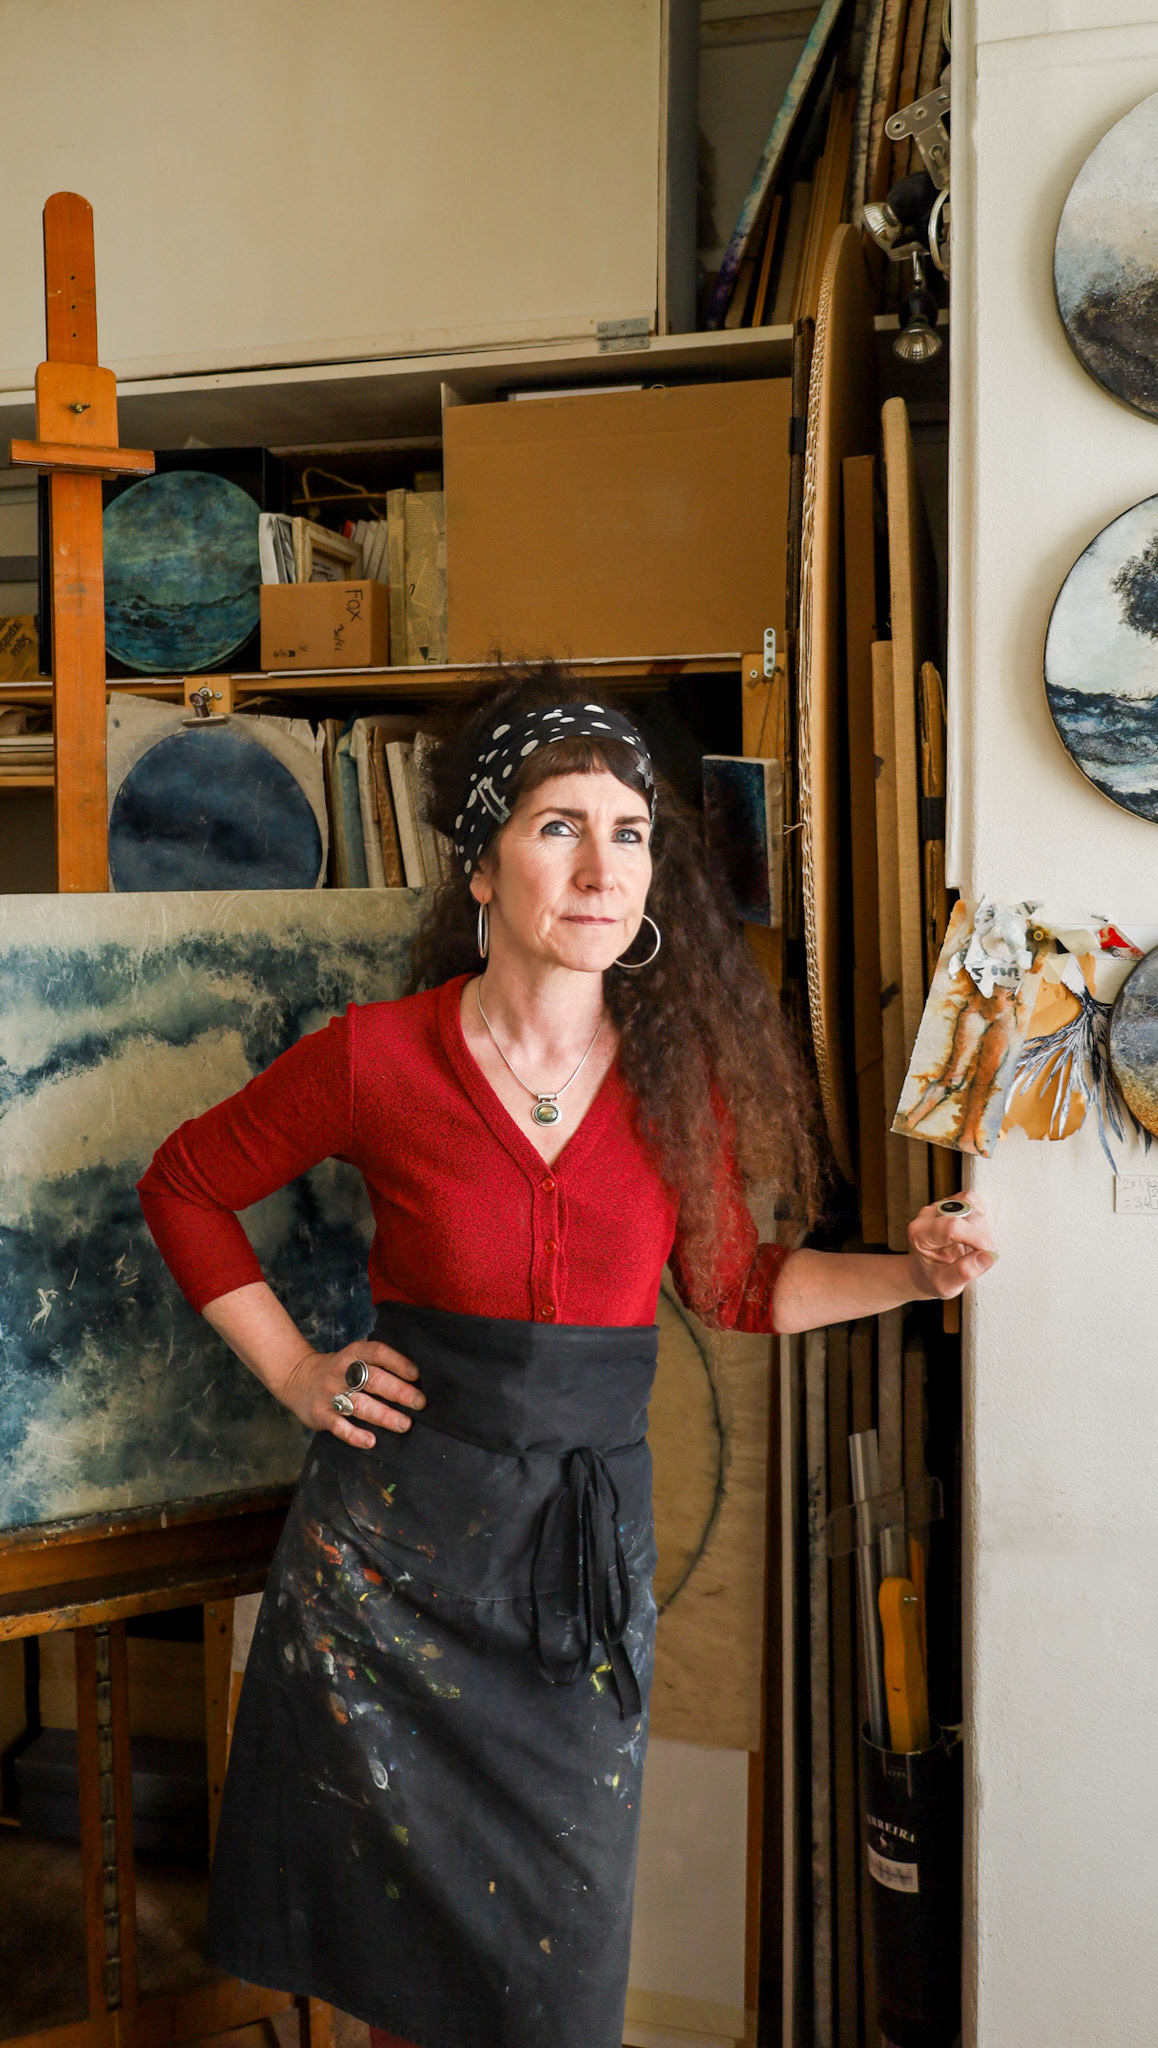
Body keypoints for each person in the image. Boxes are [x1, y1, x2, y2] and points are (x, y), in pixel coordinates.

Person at [137, 665, 996, 2048]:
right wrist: (295, 1368)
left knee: (552, 1978)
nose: (603, 867)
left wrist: (915, 1273)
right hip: (386, 1569)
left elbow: (734, 1287)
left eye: (630, 832)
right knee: (392, 1967)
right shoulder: (374, 1060)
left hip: (573, 1583)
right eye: (559, 827)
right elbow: (183, 1184)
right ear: (481, 866)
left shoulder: (676, 1079)